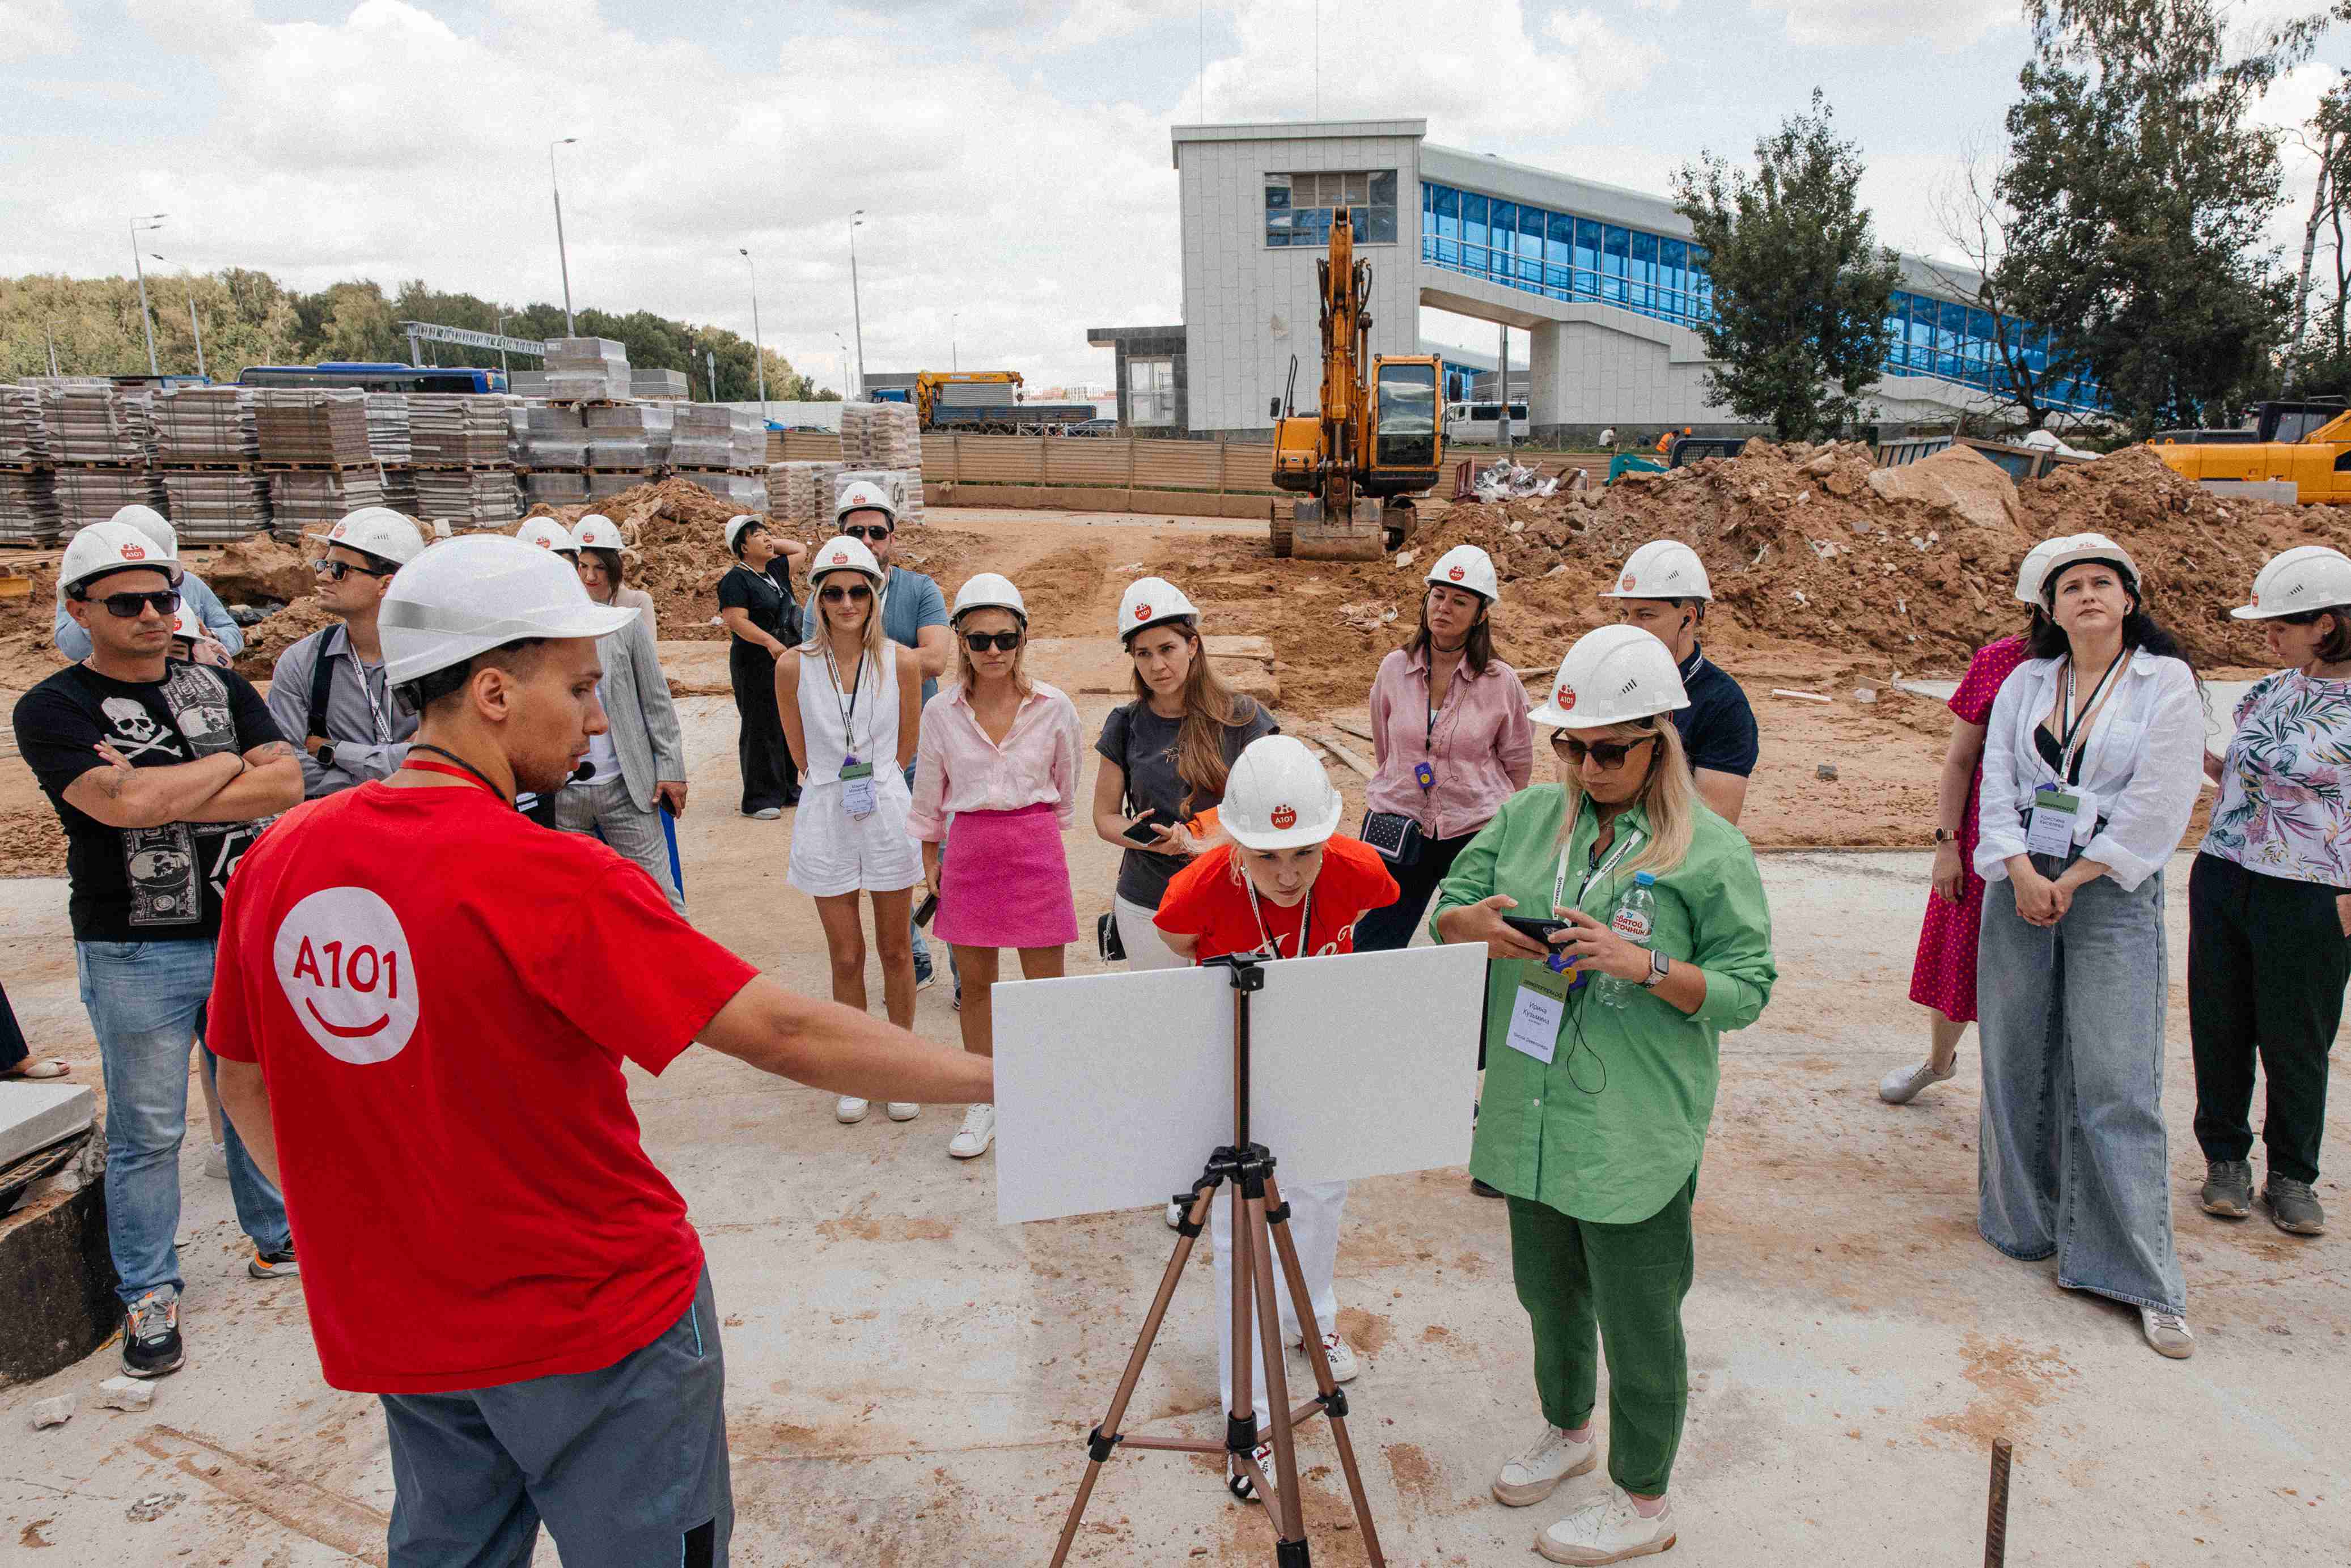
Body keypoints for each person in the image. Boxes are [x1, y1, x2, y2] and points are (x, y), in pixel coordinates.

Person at [204, 534, 990, 1568]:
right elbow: (784, 1032)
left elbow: (243, 1078)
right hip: (596, 1331)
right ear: (492, 691)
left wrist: (367, 1232)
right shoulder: (549, 877)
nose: (591, 715)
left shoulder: (282, 859)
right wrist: (1003, 1074)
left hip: (407, 1330)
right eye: (576, 687)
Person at [1431, 624, 1775, 1566]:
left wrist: (1647, 962)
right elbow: (1448, 907)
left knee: (1637, 1311)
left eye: (1608, 749)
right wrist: (1476, 925)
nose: (1586, 765)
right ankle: (1567, 1430)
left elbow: (1748, 987)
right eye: (1570, 746)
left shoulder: (1707, 850)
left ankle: (1644, 1495)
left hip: (1632, 1125)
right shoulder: (1529, 821)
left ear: (1659, 739)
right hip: (1534, 1108)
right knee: (1548, 1291)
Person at [12, 519, 304, 1379]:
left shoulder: (219, 679)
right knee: (148, 1127)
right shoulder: (52, 707)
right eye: (127, 601)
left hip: (240, 929)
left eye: (164, 598)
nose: (152, 614)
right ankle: (148, 1290)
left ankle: (274, 1236)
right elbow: (121, 809)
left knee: (251, 1089)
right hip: (136, 949)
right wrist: (221, 765)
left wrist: (161, 785)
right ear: (79, 608)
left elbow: (285, 782)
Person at [1975, 532, 2205, 1359]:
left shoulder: (2162, 682)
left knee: (2113, 1074)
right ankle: (2021, 1224)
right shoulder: (2027, 682)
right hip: (2018, 879)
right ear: (2048, 608)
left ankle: (2135, 1273)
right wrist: (2016, 867)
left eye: (2101, 582)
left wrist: (2070, 880)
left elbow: (2159, 800)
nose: (2086, 594)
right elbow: (1995, 782)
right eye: (2068, 585)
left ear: (2129, 599)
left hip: (2107, 888)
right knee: (2014, 1058)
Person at [1151, 735, 1399, 1503]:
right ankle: (1247, 1411)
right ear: (1234, 846)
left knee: (1323, 1193)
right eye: (1267, 857)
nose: (1288, 873)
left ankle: (1313, 1318)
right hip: (1240, 1063)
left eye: (1303, 852)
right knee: (1239, 1239)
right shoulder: (1196, 886)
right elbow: (1174, 937)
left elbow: (1381, 909)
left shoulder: (1357, 870)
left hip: (1320, 1053)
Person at [2189, 545, 2351, 1238]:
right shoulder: (2270, 690)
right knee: (2219, 1022)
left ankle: (2292, 1175)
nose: (2268, 636)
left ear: (2326, 622)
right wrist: (2200, 761)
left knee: (2296, 1037)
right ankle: (2225, 1159)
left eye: (2280, 623)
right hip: (2226, 874)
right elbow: (2245, 777)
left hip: (2314, 891)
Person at [1881, 536, 2066, 1105]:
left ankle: (2028, 1090)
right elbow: (1960, 758)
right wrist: (1947, 844)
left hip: (2066, 843)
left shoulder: (2112, 672)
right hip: (1988, 837)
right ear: (2039, 606)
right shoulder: (1998, 662)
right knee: (1960, 956)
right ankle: (1938, 1062)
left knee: (2048, 973)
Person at [908, 573, 1082, 1161]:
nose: (992, 652)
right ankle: (985, 1097)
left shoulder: (1055, 708)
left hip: (1034, 850)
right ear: (959, 639)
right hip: (970, 853)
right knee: (977, 986)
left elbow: (1066, 790)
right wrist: (930, 857)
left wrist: (1030, 838)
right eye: (979, 640)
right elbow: (929, 793)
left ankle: (1050, 1096)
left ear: (1022, 638)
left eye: (1004, 639)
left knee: (1045, 991)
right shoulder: (940, 712)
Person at [780, 535, 926, 1127]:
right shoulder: (793, 665)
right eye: (834, 592)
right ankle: (856, 1069)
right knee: (845, 954)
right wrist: (837, 780)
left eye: (857, 591)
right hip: (825, 813)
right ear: (818, 598)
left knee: (896, 950)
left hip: (886, 815)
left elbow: (907, 745)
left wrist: (873, 782)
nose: (846, 603)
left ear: (874, 594)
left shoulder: (903, 662)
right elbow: (798, 750)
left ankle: (902, 1066)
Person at [1092, 577, 1280, 974]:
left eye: (1167, 649)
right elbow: (1104, 817)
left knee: (1233, 1025)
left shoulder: (1244, 718)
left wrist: (1201, 837)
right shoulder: (1124, 724)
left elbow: (1273, 803)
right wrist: (1146, 840)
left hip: (1232, 896)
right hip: (1148, 904)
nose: (1157, 666)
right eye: (1143, 654)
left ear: (1192, 646)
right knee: (1162, 1025)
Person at [1356, 544, 1534, 951]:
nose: (1444, 608)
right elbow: (1386, 750)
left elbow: (1518, 764)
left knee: (1468, 948)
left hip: (1472, 831)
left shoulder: (1499, 681)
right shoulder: (1393, 669)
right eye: (1437, 596)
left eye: (1460, 601)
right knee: (1372, 944)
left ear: (1481, 614)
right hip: (1400, 826)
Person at [841, 480, 953, 991]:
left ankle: (962, 970)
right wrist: (898, 654)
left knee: (947, 858)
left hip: (923, 751)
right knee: (883, 861)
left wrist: (860, 649)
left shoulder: (919, 590)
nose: (867, 541)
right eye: (855, 532)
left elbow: (936, 659)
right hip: (863, 755)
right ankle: (915, 956)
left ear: (892, 536)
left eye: (876, 532)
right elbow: (814, 671)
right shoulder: (826, 595)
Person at [557, 519, 691, 915]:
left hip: (625, 789)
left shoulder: (626, 625)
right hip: (565, 795)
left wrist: (670, 767)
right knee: (580, 906)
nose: (589, 576)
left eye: (598, 567)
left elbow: (655, 700)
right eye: (581, 567)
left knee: (660, 900)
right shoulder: (544, 634)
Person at [267, 507, 427, 799]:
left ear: (386, 584)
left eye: (340, 570)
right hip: (346, 829)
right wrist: (394, 772)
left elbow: (447, 758)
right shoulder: (302, 663)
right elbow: (287, 770)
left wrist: (333, 750)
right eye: (323, 566)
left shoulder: (435, 660)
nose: (324, 578)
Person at [1599, 540, 1757, 823]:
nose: (1628, 627)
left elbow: (1715, 827)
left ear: (1688, 618)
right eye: (1625, 613)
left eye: (1645, 615)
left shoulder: (1723, 704)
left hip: (1671, 855)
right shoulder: (1610, 681)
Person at [54, 504, 241, 665]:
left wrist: (209, 637)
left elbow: (233, 634)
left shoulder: (190, 585)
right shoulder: (83, 591)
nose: (151, 614)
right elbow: (72, 649)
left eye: (163, 600)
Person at [715, 514, 806, 818]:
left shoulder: (775, 571)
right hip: (754, 662)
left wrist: (768, 541)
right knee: (760, 725)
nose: (768, 538)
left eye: (768, 532)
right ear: (742, 547)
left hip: (785, 660)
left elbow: (799, 551)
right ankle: (760, 798)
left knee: (787, 721)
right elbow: (736, 620)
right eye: (757, 535)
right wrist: (769, 642)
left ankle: (788, 790)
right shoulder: (736, 580)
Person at [569, 514, 659, 633]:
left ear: (614, 567)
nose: (590, 577)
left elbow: (648, 651)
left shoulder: (637, 603)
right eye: (584, 566)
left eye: (600, 568)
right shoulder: (568, 606)